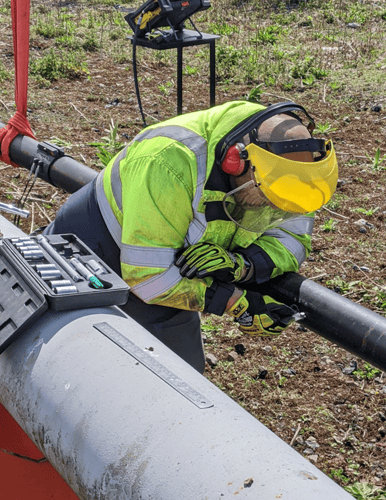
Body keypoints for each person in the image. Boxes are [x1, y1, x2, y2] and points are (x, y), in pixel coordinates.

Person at [43, 100, 338, 373]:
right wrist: (234, 301)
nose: (273, 211)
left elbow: (294, 240)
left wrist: (243, 265)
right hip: (92, 254)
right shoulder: (168, 162)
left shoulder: (290, 171)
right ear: (235, 161)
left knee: (182, 378)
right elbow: (147, 277)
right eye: (266, 199)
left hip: (170, 273)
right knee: (78, 369)